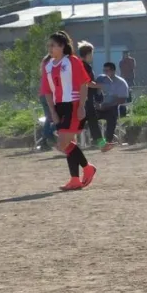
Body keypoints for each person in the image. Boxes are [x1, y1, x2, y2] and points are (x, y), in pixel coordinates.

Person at [41, 31, 97, 191]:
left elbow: (83, 84)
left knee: (62, 144)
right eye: (49, 45)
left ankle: (87, 168)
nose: (50, 48)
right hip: (59, 107)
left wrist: (81, 106)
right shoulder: (48, 65)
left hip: (73, 104)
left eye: (53, 45)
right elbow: (47, 91)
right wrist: (52, 111)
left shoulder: (72, 61)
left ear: (62, 46)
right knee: (67, 144)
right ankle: (75, 179)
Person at [77, 41, 106, 149]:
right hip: (85, 98)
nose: (92, 56)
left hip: (85, 97)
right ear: (88, 54)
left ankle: (99, 142)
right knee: (91, 120)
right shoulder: (84, 66)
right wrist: (100, 86)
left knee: (90, 121)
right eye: (92, 54)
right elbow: (87, 83)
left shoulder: (82, 65)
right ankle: (100, 143)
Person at [96, 61, 129, 151]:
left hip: (117, 108)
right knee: (91, 116)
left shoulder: (121, 82)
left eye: (107, 70)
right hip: (104, 108)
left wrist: (108, 105)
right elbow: (97, 96)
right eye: (104, 70)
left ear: (113, 71)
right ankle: (100, 142)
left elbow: (121, 100)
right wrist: (98, 105)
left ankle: (108, 140)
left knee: (111, 115)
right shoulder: (102, 82)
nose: (105, 73)